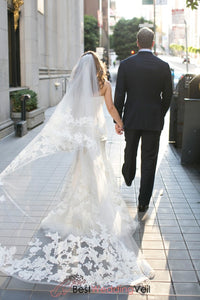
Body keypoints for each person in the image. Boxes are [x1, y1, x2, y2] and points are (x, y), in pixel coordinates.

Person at [0, 51, 154, 287]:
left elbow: (69, 113)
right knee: (99, 175)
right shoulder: (103, 84)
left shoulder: (75, 85)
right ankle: (99, 212)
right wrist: (120, 123)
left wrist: (72, 133)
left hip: (85, 139)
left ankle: (80, 214)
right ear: (97, 66)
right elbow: (111, 108)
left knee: (81, 175)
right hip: (97, 137)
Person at [114, 27, 173, 213]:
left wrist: (118, 120)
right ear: (153, 43)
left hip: (131, 118)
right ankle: (143, 202)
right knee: (149, 161)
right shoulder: (163, 66)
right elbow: (168, 96)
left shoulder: (126, 65)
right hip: (153, 121)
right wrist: (159, 113)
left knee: (129, 151)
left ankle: (128, 174)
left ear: (137, 43)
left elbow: (119, 95)